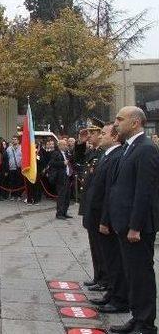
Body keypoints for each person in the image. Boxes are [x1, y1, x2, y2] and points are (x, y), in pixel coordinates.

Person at [106, 107, 159, 334]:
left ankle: (146, 323)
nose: (116, 123)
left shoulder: (146, 149)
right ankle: (137, 318)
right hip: (124, 223)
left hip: (136, 226)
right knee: (132, 274)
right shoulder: (131, 147)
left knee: (141, 274)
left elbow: (144, 191)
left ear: (135, 123)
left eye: (120, 119)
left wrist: (136, 226)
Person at [82, 123, 128, 314]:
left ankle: (118, 297)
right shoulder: (105, 155)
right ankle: (112, 293)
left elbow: (110, 190)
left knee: (114, 260)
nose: (100, 136)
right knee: (107, 258)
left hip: (105, 215)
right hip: (97, 213)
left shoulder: (116, 156)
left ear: (115, 137)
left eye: (103, 133)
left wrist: (104, 219)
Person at [75, 122, 108, 291]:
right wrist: (80, 142)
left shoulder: (103, 153)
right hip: (90, 204)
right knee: (94, 244)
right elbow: (79, 160)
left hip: (98, 206)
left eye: (92, 133)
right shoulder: (93, 152)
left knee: (100, 246)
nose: (90, 136)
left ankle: (104, 279)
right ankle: (98, 276)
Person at [49, 139, 73, 219]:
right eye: (64, 144)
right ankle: (59, 213)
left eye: (66, 144)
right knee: (61, 196)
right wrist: (62, 163)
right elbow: (52, 163)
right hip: (60, 177)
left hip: (67, 176)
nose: (66, 146)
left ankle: (64, 212)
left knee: (67, 195)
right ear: (60, 145)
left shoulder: (66, 153)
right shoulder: (55, 153)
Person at [4, 136, 23, 200]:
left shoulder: (21, 148)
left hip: (19, 168)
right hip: (11, 168)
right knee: (12, 183)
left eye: (15, 139)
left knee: (19, 182)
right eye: (13, 139)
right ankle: (13, 195)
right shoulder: (8, 149)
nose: (14, 140)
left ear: (18, 141)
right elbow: (6, 159)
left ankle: (19, 195)